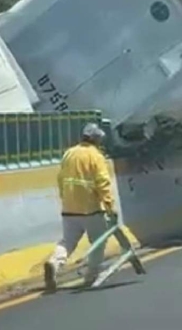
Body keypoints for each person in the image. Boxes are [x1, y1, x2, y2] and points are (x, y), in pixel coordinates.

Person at [44, 122, 117, 291]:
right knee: (98, 241)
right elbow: (103, 183)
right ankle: (91, 275)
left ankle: (53, 264)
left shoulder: (69, 153)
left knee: (67, 241)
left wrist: (65, 199)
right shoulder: (95, 156)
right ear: (96, 138)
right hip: (90, 208)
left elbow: (61, 178)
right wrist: (109, 207)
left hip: (69, 208)